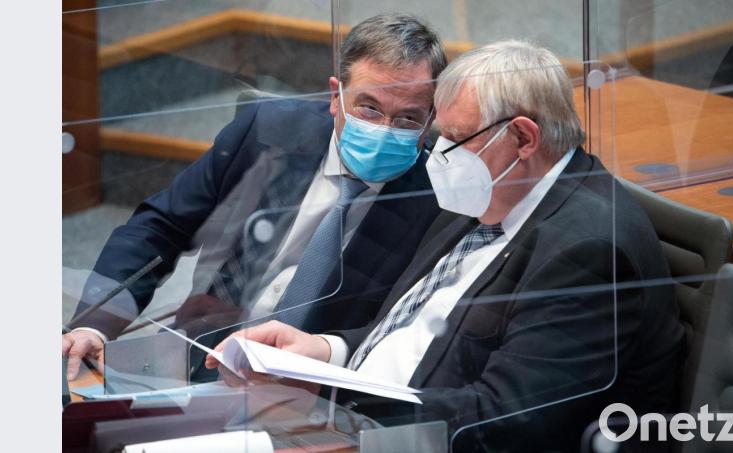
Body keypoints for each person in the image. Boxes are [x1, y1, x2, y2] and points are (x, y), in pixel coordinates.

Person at [206, 41, 684, 450]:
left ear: (522, 137)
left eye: (456, 139)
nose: (440, 157)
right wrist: (322, 354)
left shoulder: (588, 252)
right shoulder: (491, 195)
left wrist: (336, 404)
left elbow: (502, 421)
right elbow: (407, 330)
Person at [62, 14, 448, 381]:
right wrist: (96, 322)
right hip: (204, 351)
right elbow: (161, 227)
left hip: (315, 387)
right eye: (369, 108)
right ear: (336, 97)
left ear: (431, 122)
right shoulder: (266, 131)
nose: (384, 129)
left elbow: (407, 325)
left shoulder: (436, 199)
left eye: (408, 119)